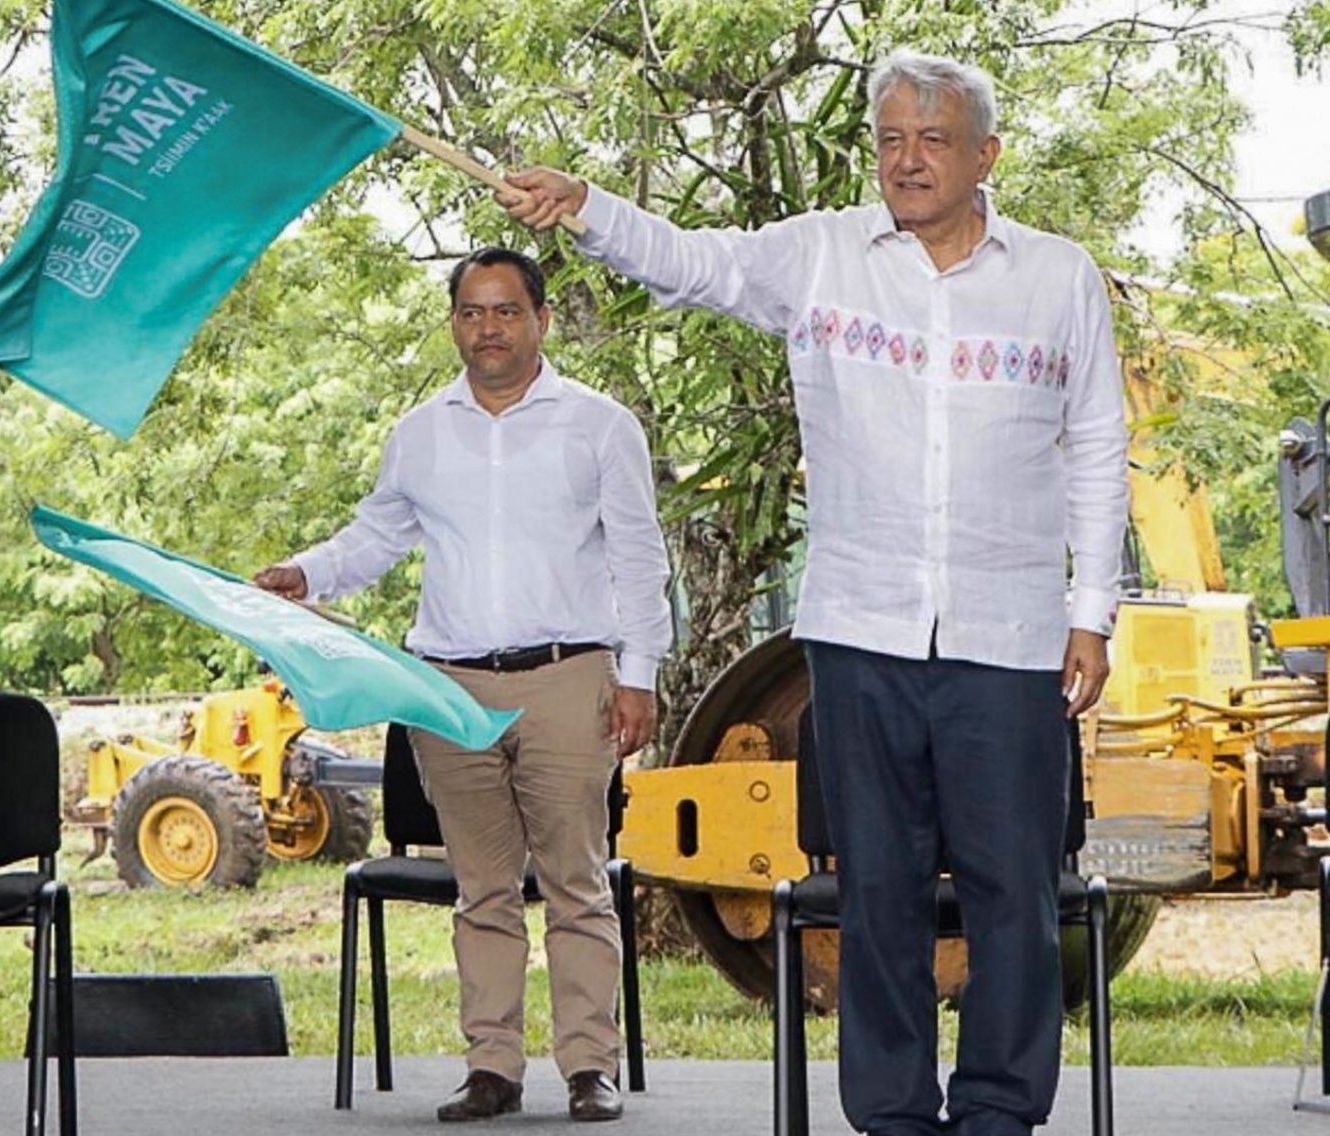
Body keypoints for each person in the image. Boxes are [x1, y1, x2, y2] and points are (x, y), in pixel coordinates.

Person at [501, 50, 1128, 1136]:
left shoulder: (1058, 276)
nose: (908, 158)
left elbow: (1099, 447)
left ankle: (997, 1110)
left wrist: (1091, 611)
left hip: (1012, 636)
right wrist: (588, 208)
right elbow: (693, 261)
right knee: (875, 891)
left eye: (933, 139)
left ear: (987, 155)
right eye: (889, 138)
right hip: (860, 630)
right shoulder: (823, 255)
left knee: (1013, 895)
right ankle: (891, 1112)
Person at [255, 247, 671, 1123]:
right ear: (454, 323)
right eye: (472, 312)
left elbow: (640, 558)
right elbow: (375, 538)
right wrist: (306, 574)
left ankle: (589, 1069)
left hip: (569, 679)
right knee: (480, 889)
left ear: (541, 321)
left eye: (506, 312)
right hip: (447, 690)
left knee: (578, 881)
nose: (489, 329)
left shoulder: (599, 426)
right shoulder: (420, 432)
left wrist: (639, 676)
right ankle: (493, 1068)